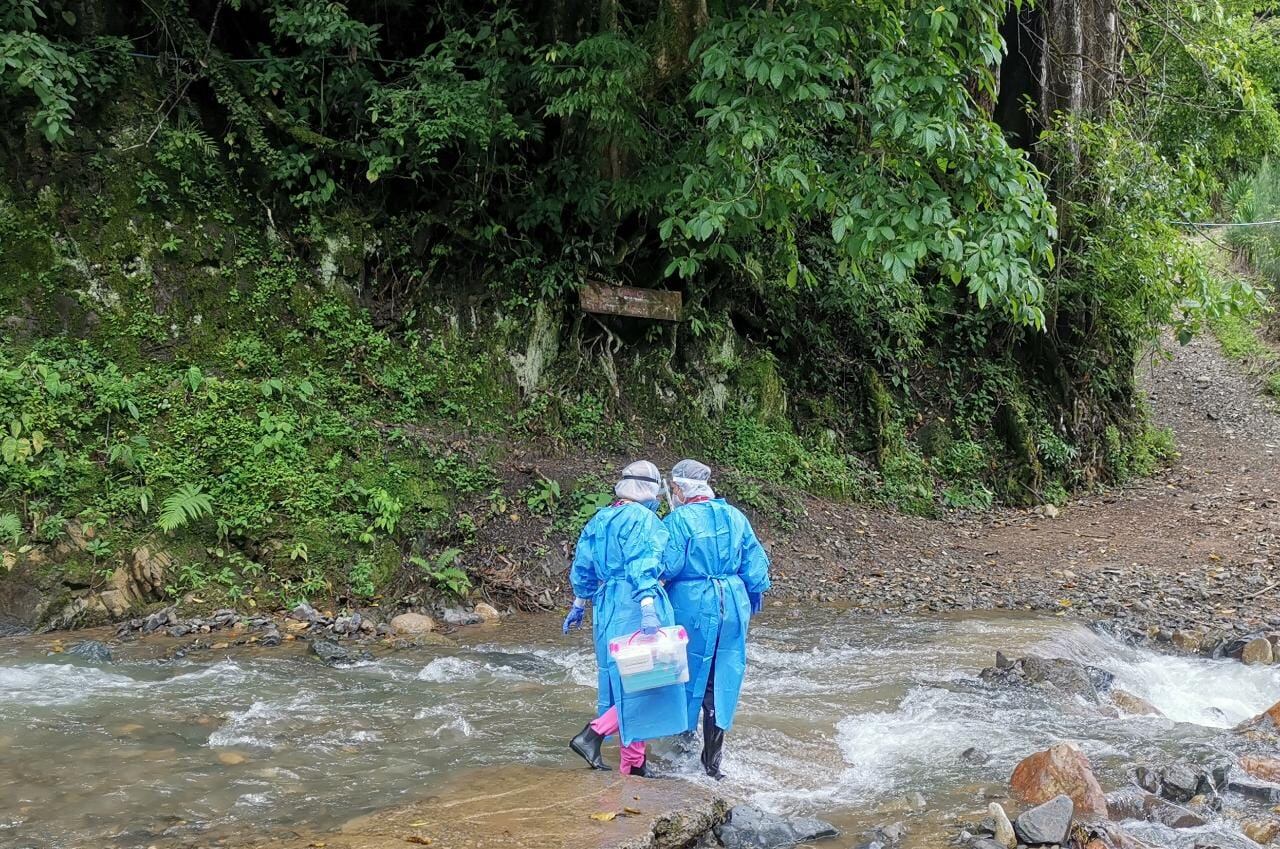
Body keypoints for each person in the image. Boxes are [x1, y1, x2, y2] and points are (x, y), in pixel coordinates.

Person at [562, 460, 688, 776]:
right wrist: (648, 605)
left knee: (618, 679)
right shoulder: (643, 521)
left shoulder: (600, 519)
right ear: (649, 489)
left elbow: (584, 566)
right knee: (651, 681)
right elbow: (642, 565)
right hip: (635, 602)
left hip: (605, 605)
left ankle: (633, 763)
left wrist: (579, 603)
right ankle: (593, 734)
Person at [660, 459, 770, 779]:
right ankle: (713, 764)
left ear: (680, 488)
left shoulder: (678, 520)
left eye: (675, 487)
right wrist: (753, 594)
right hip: (733, 604)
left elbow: (668, 566)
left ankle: (682, 745)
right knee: (722, 677)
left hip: (693, 604)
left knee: (684, 673)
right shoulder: (735, 516)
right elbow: (755, 566)